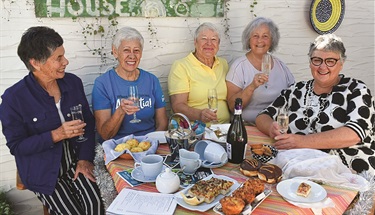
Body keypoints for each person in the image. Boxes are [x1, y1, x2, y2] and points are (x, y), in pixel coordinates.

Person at [0, 26, 104, 214]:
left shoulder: (72, 83)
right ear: (36, 63)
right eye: (58, 58)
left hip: (75, 160)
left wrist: (84, 159)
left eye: (63, 55)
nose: (66, 61)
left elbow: (88, 124)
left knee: (95, 205)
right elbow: (17, 146)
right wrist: (56, 135)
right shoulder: (13, 98)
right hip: (43, 170)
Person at [255, 33, 375, 175]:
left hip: (350, 171)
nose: (322, 67)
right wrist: (271, 128)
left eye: (330, 61)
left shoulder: (356, 90)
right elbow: (263, 116)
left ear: (341, 64)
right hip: (303, 169)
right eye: (317, 60)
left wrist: (301, 142)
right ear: (310, 62)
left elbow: (355, 133)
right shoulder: (296, 90)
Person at [92, 26, 168, 141]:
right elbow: (105, 134)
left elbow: (162, 122)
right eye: (126, 50)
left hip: (149, 145)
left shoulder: (151, 80)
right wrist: (120, 112)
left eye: (136, 50)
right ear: (115, 52)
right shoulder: (103, 84)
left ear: (141, 53)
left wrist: (151, 144)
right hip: (119, 147)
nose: (132, 56)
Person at [226, 17, 295, 124]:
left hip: (276, 125)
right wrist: (252, 87)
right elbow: (232, 107)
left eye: (265, 36)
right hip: (248, 125)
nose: (260, 40)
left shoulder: (281, 66)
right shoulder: (239, 66)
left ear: (272, 40)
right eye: (255, 36)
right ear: (248, 40)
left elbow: (293, 97)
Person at [168, 22, 230, 124]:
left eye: (214, 39)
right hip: (195, 129)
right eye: (204, 39)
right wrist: (200, 114)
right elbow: (177, 105)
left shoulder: (223, 64)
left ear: (218, 44)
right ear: (195, 42)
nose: (209, 43)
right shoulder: (181, 66)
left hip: (224, 128)